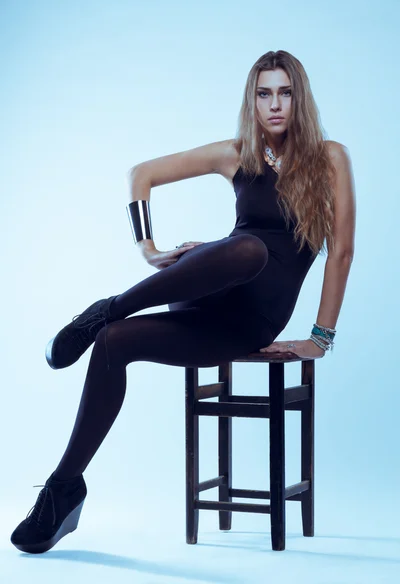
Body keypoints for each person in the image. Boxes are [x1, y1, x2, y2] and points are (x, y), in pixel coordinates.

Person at [10, 50, 355, 554]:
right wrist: (148, 248)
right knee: (112, 342)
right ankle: (63, 490)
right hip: (206, 298)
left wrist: (320, 339)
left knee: (247, 247)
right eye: (264, 93)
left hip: (251, 319)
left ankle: (109, 308)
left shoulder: (330, 157)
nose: (275, 105)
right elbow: (141, 174)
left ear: (299, 98)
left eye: (285, 93)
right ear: (252, 100)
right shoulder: (237, 153)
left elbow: (341, 252)